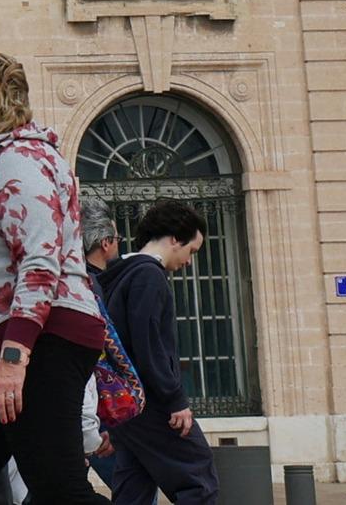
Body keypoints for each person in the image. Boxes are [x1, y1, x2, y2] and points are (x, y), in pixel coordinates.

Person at [0, 48, 107, 505]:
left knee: (57, 489)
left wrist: (14, 358)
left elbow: (40, 260)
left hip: (38, 339)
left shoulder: (21, 160)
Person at [95, 200, 217, 505]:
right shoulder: (149, 276)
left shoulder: (117, 276)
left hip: (124, 406)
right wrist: (174, 399)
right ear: (175, 238)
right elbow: (150, 345)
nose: (190, 262)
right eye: (192, 251)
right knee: (198, 478)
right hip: (150, 403)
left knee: (134, 488)